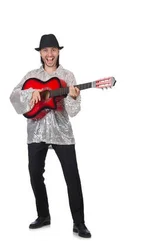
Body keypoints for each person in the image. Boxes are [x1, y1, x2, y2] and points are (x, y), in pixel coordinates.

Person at [9, 34, 91, 238]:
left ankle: (79, 223)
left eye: (53, 50)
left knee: (72, 177)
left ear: (59, 52)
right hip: (36, 132)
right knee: (35, 174)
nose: (49, 54)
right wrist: (32, 94)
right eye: (45, 50)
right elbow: (14, 96)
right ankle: (43, 215)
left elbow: (73, 111)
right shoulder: (30, 75)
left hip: (62, 132)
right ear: (40, 53)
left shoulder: (68, 76)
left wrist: (73, 97)